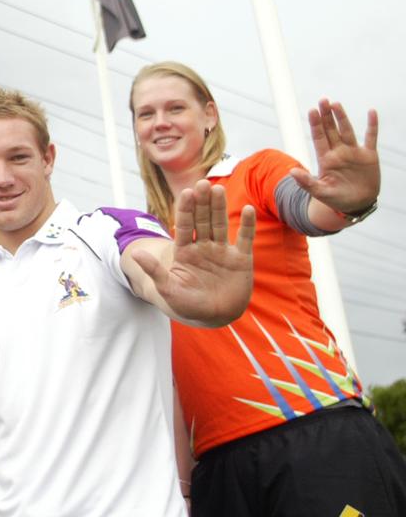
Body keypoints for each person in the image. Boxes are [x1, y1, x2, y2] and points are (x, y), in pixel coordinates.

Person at [0, 86, 257, 517]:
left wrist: (201, 294)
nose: (2, 177)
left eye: (19, 157)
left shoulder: (106, 233)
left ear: (48, 158)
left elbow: (157, 269)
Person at [129, 61, 406, 516]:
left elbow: (309, 208)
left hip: (313, 431)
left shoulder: (256, 171)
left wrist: (351, 200)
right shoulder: (142, 236)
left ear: (209, 115)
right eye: (146, 113)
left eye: (175, 107)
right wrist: (182, 485)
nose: (160, 122)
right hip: (218, 468)